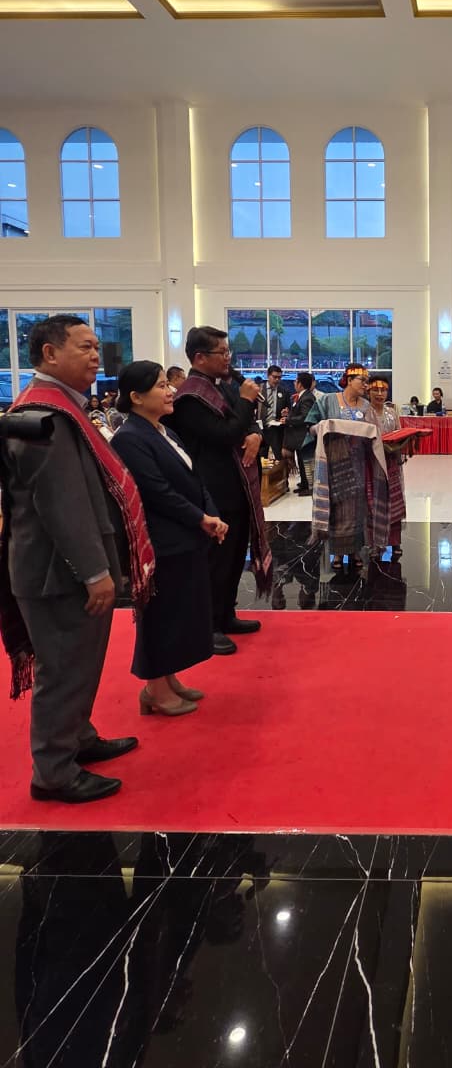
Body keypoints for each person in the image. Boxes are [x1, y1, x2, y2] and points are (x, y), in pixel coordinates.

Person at [0, 315, 154, 803]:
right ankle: (53, 771)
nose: (95, 356)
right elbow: (61, 504)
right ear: (49, 354)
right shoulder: (44, 417)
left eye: (96, 347)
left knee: (80, 664)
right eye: (84, 346)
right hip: (58, 572)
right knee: (63, 669)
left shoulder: (62, 407)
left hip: (63, 567)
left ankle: (77, 738)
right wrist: (94, 572)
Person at [111, 362, 228, 717]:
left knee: (179, 613)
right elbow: (156, 492)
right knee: (161, 616)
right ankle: (154, 689)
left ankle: (169, 677)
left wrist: (210, 512)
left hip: (186, 536)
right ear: (136, 397)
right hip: (161, 541)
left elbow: (194, 478)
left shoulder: (163, 431)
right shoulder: (130, 438)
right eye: (161, 386)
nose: (170, 391)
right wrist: (200, 518)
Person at [168, 326, 271, 655]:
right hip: (211, 488)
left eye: (228, 352)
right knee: (214, 560)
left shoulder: (222, 386)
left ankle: (226, 614)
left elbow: (243, 424)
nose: (228, 358)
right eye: (222, 353)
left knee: (234, 555)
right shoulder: (190, 397)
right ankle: (207, 626)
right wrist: (246, 403)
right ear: (200, 357)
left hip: (237, 485)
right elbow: (224, 434)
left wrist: (255, 434)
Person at [313, 364, 389, 569]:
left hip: (358, 464)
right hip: (334, 464)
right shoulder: (328, 400)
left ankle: (355, 551)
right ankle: (337, 553)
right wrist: (321, 428)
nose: (366, 385)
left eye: (366, 381)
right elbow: (310, 424)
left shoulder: (366, 407)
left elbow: (376, 434)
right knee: (337, 507)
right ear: (348, 380)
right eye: (362, 380)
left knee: (357, 508)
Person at [367, 377, 409, 553]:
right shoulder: (364, 413)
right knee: (374, 503)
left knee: (394, 501)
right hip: (371, 464)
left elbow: (399, 434)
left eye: (383, 390)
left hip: (391, 463)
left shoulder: (392, 413)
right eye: (375, 390)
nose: (379, 394)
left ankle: (395, 541)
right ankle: (374, 543)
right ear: (368, 391)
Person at [282, 371, 320, 496]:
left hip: (304, 435)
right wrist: (289, 414)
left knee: (306, 462)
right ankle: (304, 483)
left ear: (300, 384)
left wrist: (288, 420)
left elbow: (305, 417)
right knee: (301, 461)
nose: (294, 383)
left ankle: (309, 486)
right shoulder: (301, 396)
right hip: (298, 436)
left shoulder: (307, 397)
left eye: (295, 381)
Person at [259, 364, 291, 462]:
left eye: (279, 378)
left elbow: (289, 410)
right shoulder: (259, 389)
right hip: (261, 428)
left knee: (278, 457)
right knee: (260, 457)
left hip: (276, 429)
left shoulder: (284, 391)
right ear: (268, 376)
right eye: (274, 377)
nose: (277, 380)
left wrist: (286, 413)